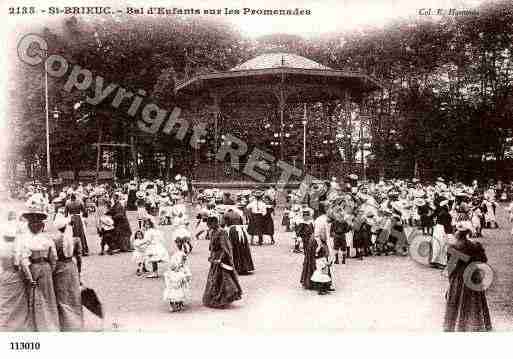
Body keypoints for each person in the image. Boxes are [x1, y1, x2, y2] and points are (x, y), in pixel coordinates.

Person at [443, 223, 492, 332]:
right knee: (475, 300)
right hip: (473, 275)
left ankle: (458, 325)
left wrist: (451, 281)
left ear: (458, 233)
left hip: (459, 276)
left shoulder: (453, 247)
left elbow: (450, 267)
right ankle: (477, 323)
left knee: (457, 300)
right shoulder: (476, 245)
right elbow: (484, 260)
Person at [19, 211, 60, 331]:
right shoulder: (47, 239)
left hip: (34, 267)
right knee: (48, 296)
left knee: (35, 295)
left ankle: (38, 324)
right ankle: (51, 324)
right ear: (42, 227)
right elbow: (54, 258)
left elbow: (24, 261)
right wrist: (50, 270)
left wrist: (29, 277)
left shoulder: (25, 240)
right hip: (46, 267)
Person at [202, 216, 242, 308]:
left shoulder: (222, 232)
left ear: (215, 223)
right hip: (215, 258)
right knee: (214, 278)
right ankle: (216, 297)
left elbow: (225, 247)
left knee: (224, 278)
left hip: (221, 259)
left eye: (209, 224)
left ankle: (224, 298)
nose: (208, 226)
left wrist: (220, 259)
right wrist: (212, 256)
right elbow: (212, 247)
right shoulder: (212, 232)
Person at [0, 219, 33, 331]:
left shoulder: (2, 248)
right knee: (19, 302)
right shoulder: (17, 248)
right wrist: (29, 279)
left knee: (6, 301)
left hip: (4, 275)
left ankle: (5, 324)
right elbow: (23, 264)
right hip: (15, 276)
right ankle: (19, 324)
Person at [52, 216, 83, 331]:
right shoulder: (75, 239)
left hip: (59, 268)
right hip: (71, 266)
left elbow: (53, 257)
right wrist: (79, 272)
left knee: (61, 295)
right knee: (73, 294)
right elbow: (79, 258)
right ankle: (76, 320)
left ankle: (65, 322)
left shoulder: (54, 240)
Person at [163, 237, 192, 312]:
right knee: (173, 284)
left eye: (180, 242)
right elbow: (172, 262)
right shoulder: (175, 252)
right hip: (175, 267)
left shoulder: (183, 252)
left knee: (182, 284)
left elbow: (183, 261)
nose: (178, 244)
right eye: (177, 242)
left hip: (181, 268)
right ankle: (174, 304)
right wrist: (173, 267)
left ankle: (180, 302)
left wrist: (180, 265)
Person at [225, 210, 254, 275]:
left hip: (233, 231)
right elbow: (241, 222)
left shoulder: (226, 214)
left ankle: (237, 267)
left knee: (234, 248)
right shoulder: (238, 214)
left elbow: (225, 224)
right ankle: (244, 267)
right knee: (243, 248)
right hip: (241, 230)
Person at [298, 210, 316, 290]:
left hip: (311, 241)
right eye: (304, 216)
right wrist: (300, 237)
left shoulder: (311, 223)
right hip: (305, 240)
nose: (306, 217)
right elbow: (299, 232)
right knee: (307, 254)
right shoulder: (302, 223)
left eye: (307, 215)